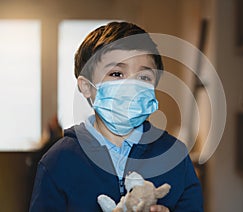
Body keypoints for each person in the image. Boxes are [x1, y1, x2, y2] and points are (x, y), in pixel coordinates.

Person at [30, 21, 203, 212]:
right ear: (86, 86)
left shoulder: (175, 156)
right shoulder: (58, 161)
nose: (131, 86)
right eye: (117, 73)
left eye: (144, 77)